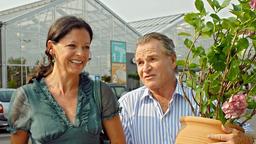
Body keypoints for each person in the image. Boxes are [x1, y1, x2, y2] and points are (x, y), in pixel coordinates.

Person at [118, 32, 254, 144]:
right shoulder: (128, 104)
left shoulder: (202, 98)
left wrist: (242, 139)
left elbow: (246, 132)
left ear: (172, 60)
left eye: (152, 59)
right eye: (140, 62)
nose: (145, 68)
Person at [8, 15, 126, 144]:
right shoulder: (26, 96)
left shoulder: (100, 92)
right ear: (51, 48)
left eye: (86, 47)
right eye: (72, 45)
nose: (81, 53)